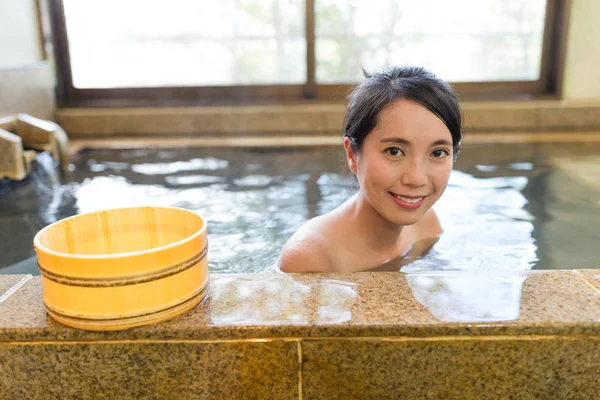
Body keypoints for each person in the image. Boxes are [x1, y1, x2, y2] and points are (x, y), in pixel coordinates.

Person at [279, 66, 462, 273]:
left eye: (437, 153)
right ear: (352, 154)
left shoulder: (425, 226)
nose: (416, 178)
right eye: (394, 151)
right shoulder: (310, 256)